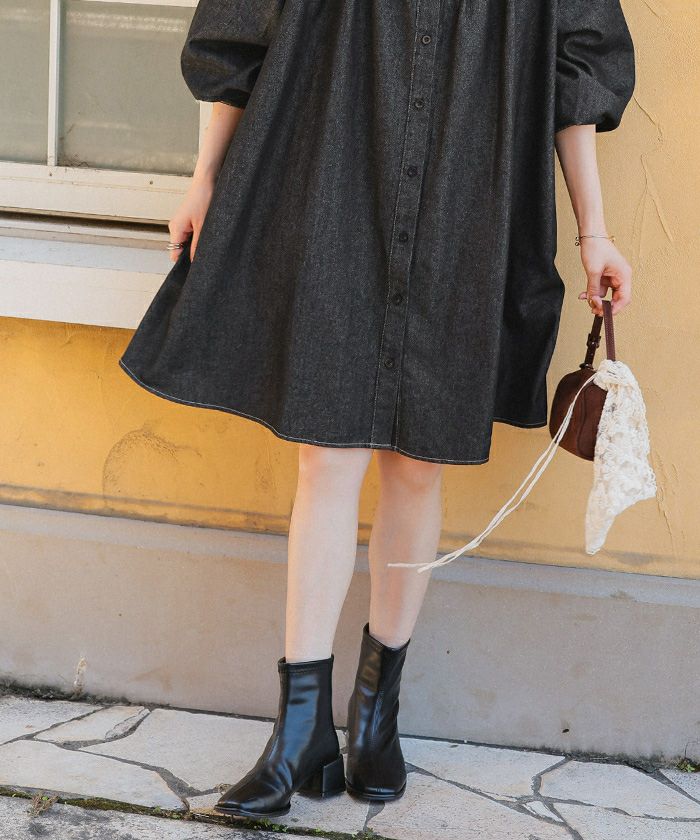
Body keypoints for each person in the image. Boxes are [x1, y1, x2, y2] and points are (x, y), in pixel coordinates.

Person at [118, 0, 635, 819]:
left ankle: (373, 719)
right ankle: (298, 735)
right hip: (331, 184)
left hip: (472, 202)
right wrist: (204, 178)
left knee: (419, 465)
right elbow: (241, 30)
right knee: (326, 454)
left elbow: (577, 71)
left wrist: (593, 234)